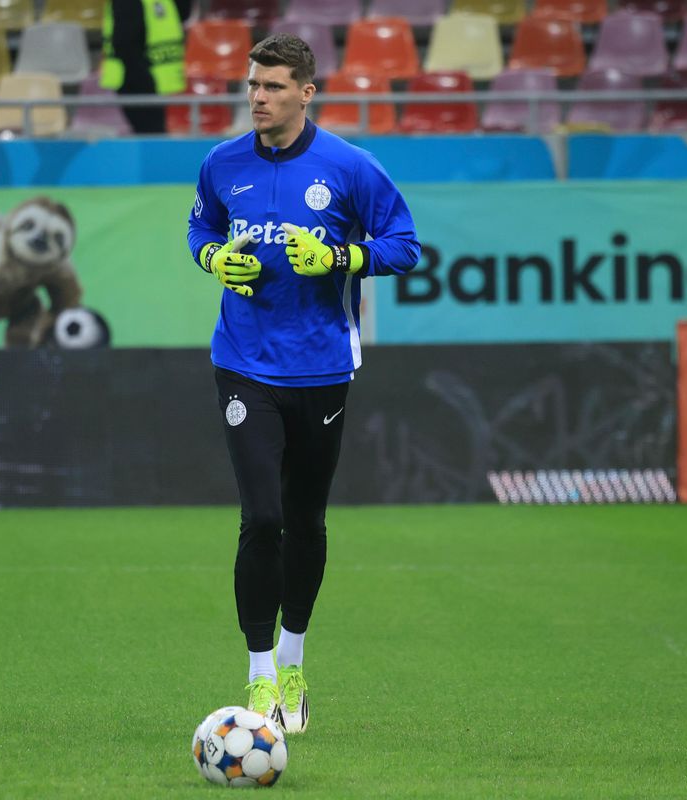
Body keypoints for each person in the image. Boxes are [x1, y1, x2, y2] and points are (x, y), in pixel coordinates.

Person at [186, 33, 421, 733]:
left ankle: (293, 661)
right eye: (252, 84)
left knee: (306, 520)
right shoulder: (221, 163)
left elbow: (405, 245)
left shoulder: (351, 167)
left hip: (321, 368)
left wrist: (340, 257)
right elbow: (201, 228)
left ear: (306, 93)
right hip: (242, 363)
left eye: (273, 86)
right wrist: (215, 259)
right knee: (262, 518)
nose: (257, 97)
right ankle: (260, 677)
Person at [100, 0, 190, 134]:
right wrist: (147, 82)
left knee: (153, 134)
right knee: (150, 135)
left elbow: (183, 14)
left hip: (156, 81)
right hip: (136, 81)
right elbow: (124, 45)